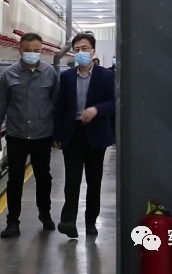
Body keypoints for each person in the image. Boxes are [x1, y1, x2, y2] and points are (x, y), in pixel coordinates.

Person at [0, 32, 59, 238]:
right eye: (28, 50)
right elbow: (1, 105)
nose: (32, 54)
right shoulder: (9, 75)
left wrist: (57, 133)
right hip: (17, 135)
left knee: (43, 178)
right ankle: (12, 223)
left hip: (42, 135)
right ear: (20, 49)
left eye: (36, 51)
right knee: (15, 180)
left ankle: (45, 215)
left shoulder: (50, 73)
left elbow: (56, 104)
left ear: (41, 50)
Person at [53, 33, 115, 238]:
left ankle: (90, 222)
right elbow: (60, 107)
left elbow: (114, 103)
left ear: (93, 51)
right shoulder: (67, 77)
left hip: (96, 135)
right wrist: (57, 135)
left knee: (94, 181)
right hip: (73, 134)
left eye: (85, 48)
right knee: (72, 180)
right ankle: (68, 221)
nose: (81, 52)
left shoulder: (106, 76)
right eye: (77, 49)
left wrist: (97, 109)